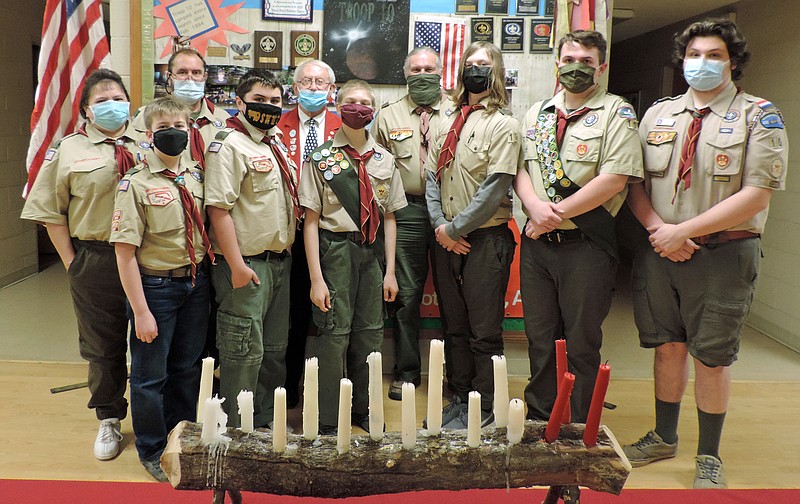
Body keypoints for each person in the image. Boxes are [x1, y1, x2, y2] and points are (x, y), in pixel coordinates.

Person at [622, 19, 788, 489]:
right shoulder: (658, 114)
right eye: (695, 54)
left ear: (732, 61)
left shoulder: (759, 115)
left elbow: (757, 194)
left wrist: (683, 232)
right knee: (666, 346)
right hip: (660, 251)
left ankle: (709, 456)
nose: (702, 63)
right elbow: (636, 185)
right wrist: (660, 231)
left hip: (723, 255)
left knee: (712, 358)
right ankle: (663, 436)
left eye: (714, 55)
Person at [515, 30, 642, 424]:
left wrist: (553, 213)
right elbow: (521, 168)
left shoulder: (616, 113)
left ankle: (578, 422)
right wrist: (535, 207)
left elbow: (615, 178)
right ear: (557, 63)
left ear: (601, 67)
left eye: (586, 62)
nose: (576, 67)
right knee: (539, 338)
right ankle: (540, 416)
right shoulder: (537, 113)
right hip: (539, 245)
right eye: (570, 59)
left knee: (580, 342)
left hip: (586, 245)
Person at [21, 69, 142, 462]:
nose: (112, 104)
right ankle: (109, 417)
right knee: (102, 345)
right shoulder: (68, 150)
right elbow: (49, 212)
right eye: (102, 100)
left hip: (149, 257)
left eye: (117, 97)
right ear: (87, 110)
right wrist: (73, 264)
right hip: (97, 257)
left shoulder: (150, 142)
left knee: (151, 338)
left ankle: (152, 415)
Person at [111, 96, 213, 482]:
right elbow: (124, 255)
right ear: (150, 134)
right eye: (165, 127)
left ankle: (180, 436)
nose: (175, 132)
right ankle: (152, 448)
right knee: (149, 375)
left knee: (186, 368)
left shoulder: (197, 175)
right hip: (155, 288)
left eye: (181, 126)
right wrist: (140, 311)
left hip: (194, 282)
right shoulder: (134, 184)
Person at [299, 79, 406, 435]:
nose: (357, 108)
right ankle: (329, 415)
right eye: (350, 102)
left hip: (372, 254)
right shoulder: (320, 159)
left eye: (364, 103)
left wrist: (390, 272)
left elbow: (389, 217)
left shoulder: (385, 160)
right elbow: (311, 221)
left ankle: (366, 407)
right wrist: (316, 278)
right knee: (333, 334)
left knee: (371, 334)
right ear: (337, 106)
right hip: (336, 251)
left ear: (373, 111)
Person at [425, 42, 518, 429]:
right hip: (446, 238)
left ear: (495, 72)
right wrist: (440, 228)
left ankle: (485, 405)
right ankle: (460, 399)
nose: (474, 70)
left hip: (485, 240)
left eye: (483, 64)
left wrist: (455, 229)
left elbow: (495, 188)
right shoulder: (446, 120)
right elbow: (432, 176)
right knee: (455, 328)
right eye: (469, 64)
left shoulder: (505, 125)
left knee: (484, 333)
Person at [204, 69, 299, 429]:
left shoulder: (272, 143)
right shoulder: (229, 143)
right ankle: (235, 430)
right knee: (242, 352)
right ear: (240, 102)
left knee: (273, 351)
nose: (269, 107)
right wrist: (237, 265)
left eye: (275, 101)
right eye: (260, 100)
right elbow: (218, 210)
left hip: (278, 264)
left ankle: (263, 422)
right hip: (246, 266)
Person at [374, 47, 453, 401]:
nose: (422, 74)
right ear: (406, 74)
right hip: (405, 212)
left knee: (455, 297)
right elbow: (373, 167)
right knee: (406, 296)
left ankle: (460, 375)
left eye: (429, 68)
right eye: (416, 69)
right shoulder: (388, 116)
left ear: (441, 72)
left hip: (451, 213)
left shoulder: (458, 111)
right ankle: (406, 372)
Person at [277, 60, 342, 408]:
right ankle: (288, 387)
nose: (313, 87)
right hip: (289, 230)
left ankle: (330, 391)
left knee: (333, 311)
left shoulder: (344, 125)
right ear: (294, 87)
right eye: (306, 81)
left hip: (329, 231)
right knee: (292, 314)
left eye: (320, 82)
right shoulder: (276, 124)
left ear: (331, 90)